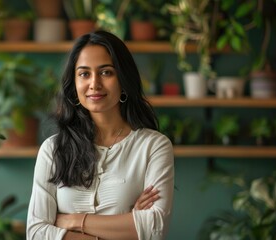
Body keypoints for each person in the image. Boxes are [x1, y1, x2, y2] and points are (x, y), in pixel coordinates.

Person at [27, 30, 174, 240]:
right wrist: (128, 223)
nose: (94, 83)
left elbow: (154, 229)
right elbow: (36, 233)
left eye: (106, 72)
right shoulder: (53, 150)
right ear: (74, 83)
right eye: (84, 74)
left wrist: (72, 221)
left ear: (123, 79)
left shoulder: (154, 146)